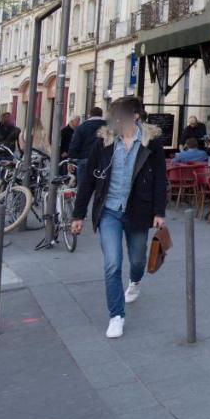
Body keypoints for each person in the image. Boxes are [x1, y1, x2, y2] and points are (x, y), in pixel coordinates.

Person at [69, 96, 168, 339]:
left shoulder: (151, 143)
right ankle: (116, 316)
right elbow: (89, 181)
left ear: (136, 116)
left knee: (136, 260)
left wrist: (159, 212)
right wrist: (78, 214)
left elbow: (159, 180)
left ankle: (135, 282)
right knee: (112, 264)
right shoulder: (103, 141)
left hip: (138, 210)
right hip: (109, 211)